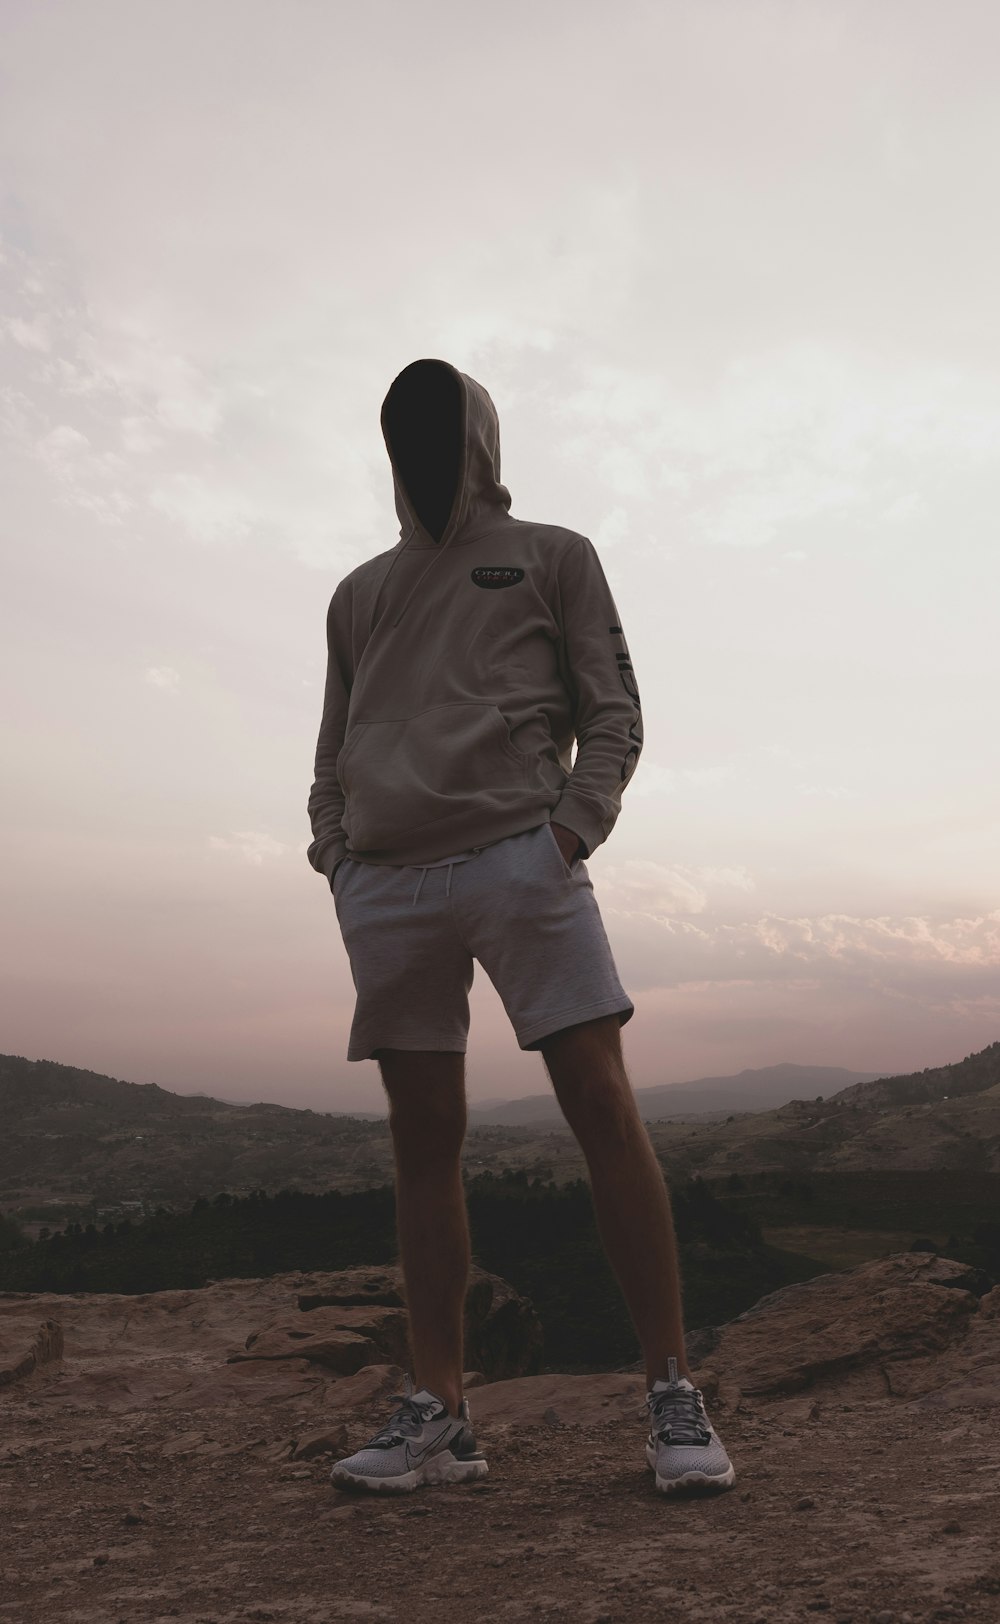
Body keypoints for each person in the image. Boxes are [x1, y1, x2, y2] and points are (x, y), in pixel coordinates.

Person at [306, 358, 735, 1497]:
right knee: (423, 1141)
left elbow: (615, 710)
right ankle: (441, 1413)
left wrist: (566, 835)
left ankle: (670, 1391)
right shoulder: (357, 593)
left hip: (519, 859)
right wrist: (336, 855)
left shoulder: (552, 555)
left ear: (479, 441)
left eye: (436, 430)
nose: (420, 451)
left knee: (599, 1100)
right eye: (401, 433)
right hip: (387, 883)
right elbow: (331, 744)